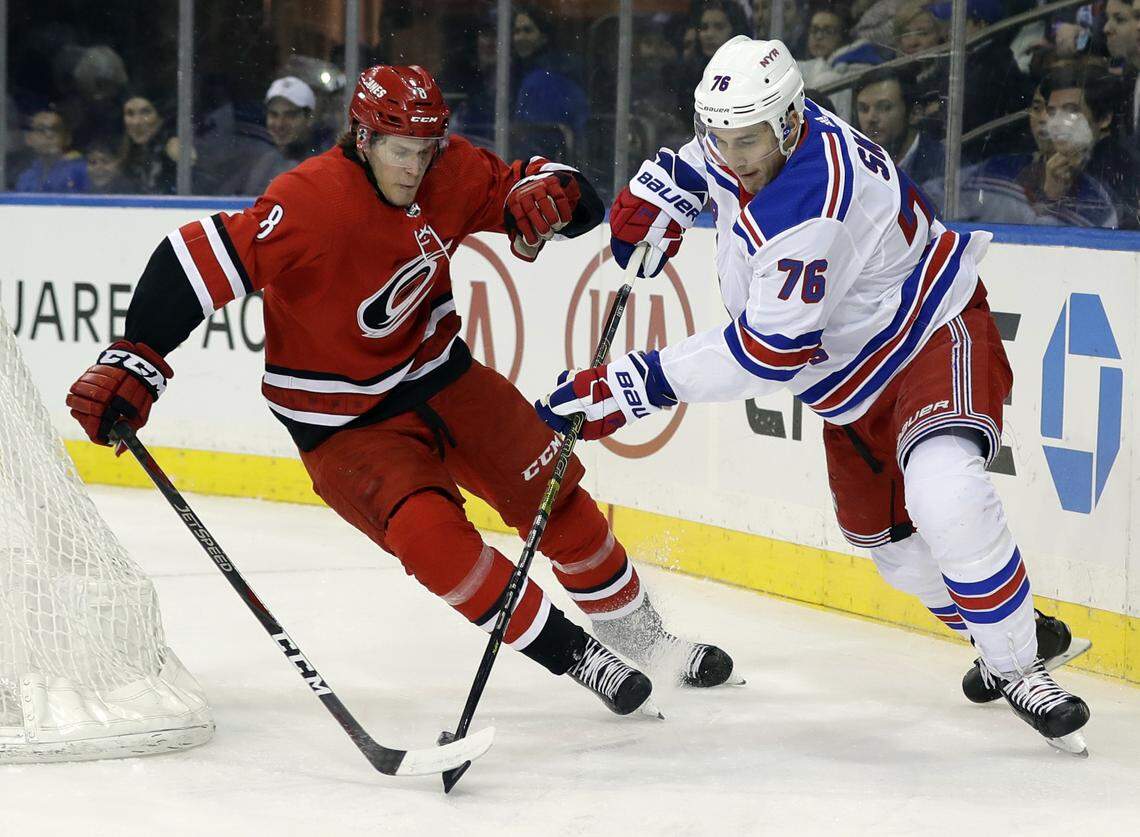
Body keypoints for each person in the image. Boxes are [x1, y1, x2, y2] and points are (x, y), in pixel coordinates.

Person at [66, 65, 736, 722]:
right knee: (433, 539)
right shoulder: (307, 203)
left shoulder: (451, 169)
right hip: (345, 426)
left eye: (425, 149)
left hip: (444, 377)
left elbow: (552, 193)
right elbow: (189, 262)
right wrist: (139, 355)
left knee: (554, 495)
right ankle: (580, 655)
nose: (414, 167)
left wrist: (555, 196)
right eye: (399, 150)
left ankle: (649, 639)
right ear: (363, 138)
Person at [536, 36, 1092, 754]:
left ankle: (1020, 667)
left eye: (747, 140)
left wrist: (634, 384)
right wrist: (675, 179)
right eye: (720, 138)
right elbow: (726, 147)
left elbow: (766, 352)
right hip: (849, 383)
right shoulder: (770, 132)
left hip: (929, 332)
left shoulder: (811, 205)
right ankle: (1016, 631)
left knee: (944, 492)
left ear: (791, 121)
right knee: (896, 555)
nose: (734, 155)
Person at [943, 70, 1121, 228]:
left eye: (1071, 111)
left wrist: (1051, 200)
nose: (1055, 123)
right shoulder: (998, 170)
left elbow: (1043, 255)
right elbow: (936, 196)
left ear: (1104, 119)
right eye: (1051, 112)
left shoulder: (1106, 194)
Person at [853, 66, 945, 189]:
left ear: (915, 114)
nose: (871, 118)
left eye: (884, 107)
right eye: (864, 109)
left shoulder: (944, 164)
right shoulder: (854, 163)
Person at [239, 77, 324, 196]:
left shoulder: (324, 165)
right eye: (274, 114)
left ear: (309, 117)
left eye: (290, 115)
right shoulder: (263, 162)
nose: (280, 124)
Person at [15, 107, 87, 193]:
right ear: (29, 139)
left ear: (67, 138)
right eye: (41, 129)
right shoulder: (25, 175)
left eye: (55, 129)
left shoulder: (83, 171)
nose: (49, 135)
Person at [120, 92, 177, 195]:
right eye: (130, 113)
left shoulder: (175, 149)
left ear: (161, 118)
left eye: (145, 112)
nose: (136, 122)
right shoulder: (120, 154)